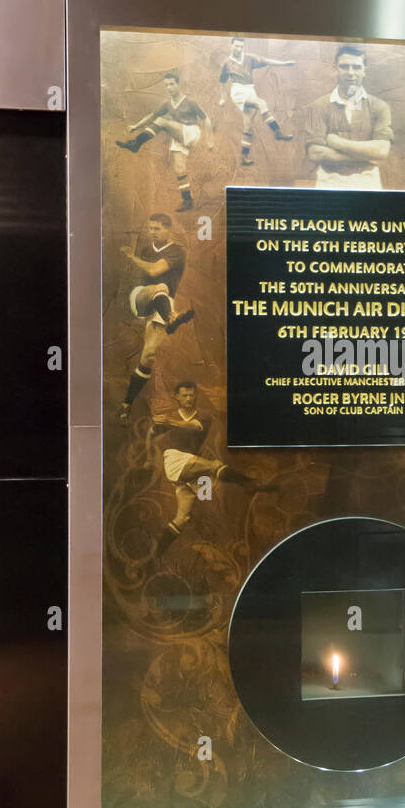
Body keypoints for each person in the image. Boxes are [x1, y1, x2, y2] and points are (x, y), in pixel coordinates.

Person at [146, 382, 278, 555]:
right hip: (175, 459)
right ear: (176, 397)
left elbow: (193, 426)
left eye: (191, 395)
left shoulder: (203, 416)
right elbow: (151, 432)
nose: (188, 399)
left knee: (183, 517)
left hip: (188, 469)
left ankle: (157, 551)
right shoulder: (170, 416)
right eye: (184, 395)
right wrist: (149, 458)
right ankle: (248, 484)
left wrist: (170, 422)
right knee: (213, 466)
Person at [117, 213, 195, 425]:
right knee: (160, 287)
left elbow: (154, 269)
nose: (152, 232)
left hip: (163, 303)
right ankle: (172, 319)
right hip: (142, 297)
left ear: (168, 230)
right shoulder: (146, 250)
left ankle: (126, 405)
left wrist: (131, 257)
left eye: (157, 228)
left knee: (149, 356)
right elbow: (148, 277)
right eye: (150, 228)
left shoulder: (177, 251)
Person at [115, 71, 213, 212]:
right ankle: (187, 200)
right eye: (166, 85)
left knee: (162, 121)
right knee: (179, 169)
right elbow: (151, 116)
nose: (169, 87)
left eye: (172, 84)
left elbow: (206, 118)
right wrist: (136, 126)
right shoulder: (167, 104)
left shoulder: (190, 102)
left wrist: (209, 140)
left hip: (191, 132)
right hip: (178, 135)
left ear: (179, 85)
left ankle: (136, 143)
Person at [305, 44, 393, 190]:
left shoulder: (379, 106)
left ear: (364, 71)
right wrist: (368, 156)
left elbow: (382, 150)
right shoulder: (319, 106)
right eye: (344, 66)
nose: (350, 72)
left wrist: (338, 143)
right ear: (335, 70)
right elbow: (315, 153)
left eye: (357, 67)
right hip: (328, 181)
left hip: (368, 181)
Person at [218, 36, 295, 166]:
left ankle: (244, 156)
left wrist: (285, 63)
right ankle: (278, 132)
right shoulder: (227, 63)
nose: (239, 49)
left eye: (241, 47)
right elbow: (222, 81)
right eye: (236, 46)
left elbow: (267, 61)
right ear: (231, 46)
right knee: (261, 103)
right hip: (238, 91)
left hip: (250, 90)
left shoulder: (249, 58)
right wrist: (222, 97)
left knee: (248, 125)